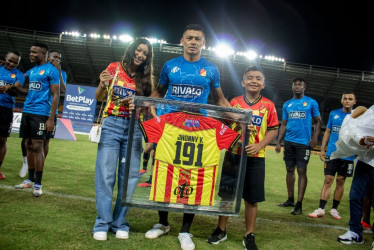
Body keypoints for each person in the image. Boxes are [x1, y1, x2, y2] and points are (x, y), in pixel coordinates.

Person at [144, 24, 232, 250]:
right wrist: (148, 103)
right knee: (163, 171)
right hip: (169, 127)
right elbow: (159, 92)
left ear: (204, 43)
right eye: (189, 38)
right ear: (182, 41)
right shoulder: (170, 66)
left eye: (198, 39)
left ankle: (185, 230)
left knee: (192, 176)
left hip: (197, 130)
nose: (193, 41)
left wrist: (239, 115)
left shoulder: (211, 69)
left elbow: (220, 99)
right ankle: (163, 223)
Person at [206, 65, 279, 249]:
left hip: (256, 157)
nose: (254, 81)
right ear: (243, 82)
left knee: (252, 198)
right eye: (250, 78)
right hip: (234, 155)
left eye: (258, 78)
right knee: (227, 194)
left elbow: (273, 129)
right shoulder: (235, 102)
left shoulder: (268, 105)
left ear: (263, 84)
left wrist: (260, 145)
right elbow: (226, 123)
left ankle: (249, 234)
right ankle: (221, 230)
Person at [92, 37, 154, 241]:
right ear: (131, 50)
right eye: (138, 50)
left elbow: (148, 109)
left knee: (129, 178)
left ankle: (119, 222)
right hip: (111, 125)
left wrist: (137, 103)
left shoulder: (146, 79)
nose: (140, 55)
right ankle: (102, 222)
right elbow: (99, 97)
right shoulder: (114, 67)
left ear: (148, 57)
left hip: (134, 128)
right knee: (105, 175)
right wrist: (102, 83)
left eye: (145, 53)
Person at [14, 42, 60, 197]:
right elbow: (20, 81)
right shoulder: (32, 71)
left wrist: (51, 119)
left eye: (34, 52)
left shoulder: (51, 71)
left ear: (43, 54)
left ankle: (38, 184)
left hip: (41, 112)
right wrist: (11, 86)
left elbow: (56, 95)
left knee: (37, 146)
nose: (31, 54)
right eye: (30, 51)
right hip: (27, 110)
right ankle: (30, 179)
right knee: (27, 144)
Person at [275, 78, 321, 215]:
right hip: (289, 142)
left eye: (300, 84)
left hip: (303, 143)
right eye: (295, 84)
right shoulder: (287, 104)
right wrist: (279, 141)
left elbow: (318, 121)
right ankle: (290, 199)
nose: (297, 86)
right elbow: (283, 124)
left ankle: (299, 204)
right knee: (289, 169)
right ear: (292, 87)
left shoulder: (311, 102)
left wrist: (314, 138)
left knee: (301, 171)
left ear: (304, 87)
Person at [18, 50, 67, 178]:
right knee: (27, 141)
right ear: (47, 57)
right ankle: (27, 165)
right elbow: (23, 78)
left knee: (44, 142)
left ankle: (38, 170)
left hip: (49, 112)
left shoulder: (61, 73)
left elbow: (62, 90)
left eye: (59, 58)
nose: (57, 59)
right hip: (32, 110)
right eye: (54, 57)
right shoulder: (37, 69)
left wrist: (59, 71)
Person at [308, 92, 356, 219]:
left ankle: (334, 209)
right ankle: (321, 208)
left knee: (341, 180)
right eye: (345, 99)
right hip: (332, 153)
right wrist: (322, 149)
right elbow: (328, 131)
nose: (347, 101)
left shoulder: (357, 117)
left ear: (354, 102)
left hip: (348, 154)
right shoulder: (334, 114)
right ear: (341, 101)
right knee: (328, 179)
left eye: (350, 99)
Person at [335, 105, 374, 245]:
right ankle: (355, 232)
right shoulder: (371, 110)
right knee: (355, 197)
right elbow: (357, 128)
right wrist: (361, 140)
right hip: (366, 160)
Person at [0, 50, 25, 179]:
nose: (12, 64)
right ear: (5, 57)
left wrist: (10, 88)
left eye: (15, 62)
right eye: (10, 61)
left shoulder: (19, 75)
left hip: (6, 109)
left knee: (2, 140)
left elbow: (17, 91)